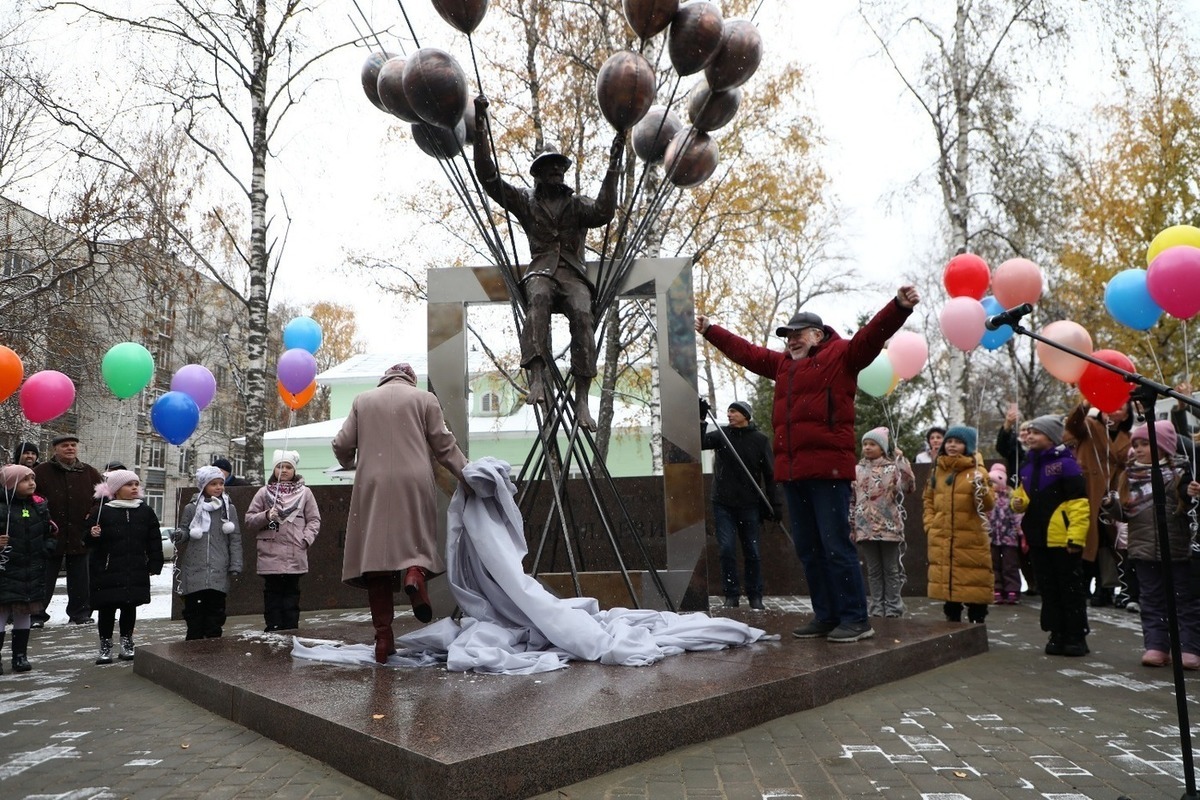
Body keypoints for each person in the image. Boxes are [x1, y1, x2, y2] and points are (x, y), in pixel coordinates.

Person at [695, 284, 920, 643]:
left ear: (818, 334)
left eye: (797, 334)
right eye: (786, 336)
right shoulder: (783, 366)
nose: (790, 341)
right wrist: (711, 331)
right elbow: (747, 353)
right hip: (793, 473)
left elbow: (871, 336)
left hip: (828, 472)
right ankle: (827, 615)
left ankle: (856, 619)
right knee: (808, 550)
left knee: (835, 547)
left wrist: (898, 307)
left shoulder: (843, 355)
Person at [473, 94, 626, 431]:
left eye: (560, 168)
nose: (557, 173)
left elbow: (603, 212)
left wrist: (614, 165)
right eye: (550, 168)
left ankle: (582, 399)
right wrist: (480, 129)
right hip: (541, 271)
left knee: (584, 315)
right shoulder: (525, 202)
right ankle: (538, 378)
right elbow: (489, 180)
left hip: (573, 276)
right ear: (538, 174)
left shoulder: (577, 205)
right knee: (537, 300)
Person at [332, 362, 469, 663]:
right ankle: (415, 575)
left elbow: (342, 444)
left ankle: (383, 638)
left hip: (373, 482)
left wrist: (349, 461)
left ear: (385, 378)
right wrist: (467, 474)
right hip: (413, 478)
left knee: (376, 561)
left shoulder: (363, 400)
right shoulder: (424, 399)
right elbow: (444, 445)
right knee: (415, 541)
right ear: (410, 379)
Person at [1107, 420, 1200, 668]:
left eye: (1145, 444)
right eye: (1136, 444)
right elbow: (1126, 513)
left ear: (1163, 447)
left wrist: (1192, 493)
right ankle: (1156, 646)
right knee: (1152, 601)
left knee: (1184, 601)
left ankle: (1189, 648)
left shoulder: (1180, 474)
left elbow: (1187, 508)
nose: (1137, 449)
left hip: (1177, 549)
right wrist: (1111, 505)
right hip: (1143, 550)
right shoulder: (1129, 476)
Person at [1011, 414, 1091, 657]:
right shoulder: (1028, 465)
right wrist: (1018, 502)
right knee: (1049, 589)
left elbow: (1079, 504)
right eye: (1029, 432)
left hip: (1062, 539)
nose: (1030, 436)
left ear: (1052, 436)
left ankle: (1076, 636)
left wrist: (1076, 537)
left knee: (1069, 589)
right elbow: (1023, 495)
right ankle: (1056, 632)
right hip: (1038, 538)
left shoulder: (1067, 464)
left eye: (1037, 432)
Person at [701, 399, 777, 610]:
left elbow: (770, 474)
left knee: (752, 550)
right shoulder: (721, 436)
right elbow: (699, 442)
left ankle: (755, 596)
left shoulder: (759, 440)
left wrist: (775, 504)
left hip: (749, 503)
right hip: (723, 502)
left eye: (734, 411)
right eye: (728, 412)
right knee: (726, 549)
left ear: (746, 415)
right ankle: (731, 595)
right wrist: (701, 418)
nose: (730, 415)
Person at [87, 470, 163, 664]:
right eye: (129, 485)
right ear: (115, 489)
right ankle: (105, 645)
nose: (134, 488)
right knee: (107, 608)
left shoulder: (144, 511)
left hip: (135, 567)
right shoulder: (103, 511)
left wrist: (155, 561)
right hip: (108, 569)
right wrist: (92, 534)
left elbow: (154, 539)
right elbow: (86, 539)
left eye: (136, 484)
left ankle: (127, 641)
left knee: (130, 606)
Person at [1064, 400, 1133, 608]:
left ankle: (1106, 587)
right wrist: (1085, 404)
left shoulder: (1129, 438)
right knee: (1086, 538)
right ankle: (1084, 582)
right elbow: (1072, 424)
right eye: (1109, 407)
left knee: (1109, 542)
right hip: (1089, 490)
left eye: (1120, 408)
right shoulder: (1090, 428)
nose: (1112, 411)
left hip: (1112, 493)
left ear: (1127, 415)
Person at [923, 426, 995, 624]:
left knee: (974, 580)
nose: (952, 445)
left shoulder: (978, 471)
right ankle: (952, 621)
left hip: (970, 537)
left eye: (958, 442)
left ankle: (977, 621)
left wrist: (981, 488)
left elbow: (988, 504)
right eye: (949, 441)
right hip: (942, 534)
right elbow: (928, 499)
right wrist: (930, 524)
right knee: (948, 581)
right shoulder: (937, 471)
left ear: (968, 445)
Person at [244, 450, 321, 632]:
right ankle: (273, 629)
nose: (284, 470)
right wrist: (266, 515)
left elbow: (314, 520)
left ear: (294, 470)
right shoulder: (264, 493)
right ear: (274, 470)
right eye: (280, 466)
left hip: (295, 553)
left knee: (291, 597)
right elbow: (249, 520)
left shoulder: (305, 493)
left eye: (288, 467)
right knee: (272, 596)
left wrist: (306, 539)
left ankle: (290, 629)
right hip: (270, 555)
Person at [32, 434, 103, 626]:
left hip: (80, 534)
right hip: (50, 534)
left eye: (73, 445)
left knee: (80, 580)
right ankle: (36, 616)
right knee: (44, 579)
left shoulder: (89, 472)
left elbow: (102, 498)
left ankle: (80, 614)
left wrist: (93, 514)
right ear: (55, 449)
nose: (70, 448)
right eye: (65, 445)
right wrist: (42, 514)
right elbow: (32, 497)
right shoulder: (41, 472)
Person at [851, 427, 915, 618]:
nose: (868, 448)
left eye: (872, 444)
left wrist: (902, 463)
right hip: (865, 527)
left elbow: (908, 486)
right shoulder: (857, 470)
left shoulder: (892, 468)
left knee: (891, 569)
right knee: (874, 570)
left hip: (889, 526)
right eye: (865, 444)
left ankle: (894, 607)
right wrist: (852, 523)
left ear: (882, 448)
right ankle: (877, 607)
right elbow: (851, 499)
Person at [173, 466, 242, 640]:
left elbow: (235, 538)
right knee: (194, 613)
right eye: (213, 484)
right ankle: (193, 646)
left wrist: (236, 564)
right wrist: (180, 535)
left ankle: (213, 649)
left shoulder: (228, 508)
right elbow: (185, 529)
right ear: (204, 486)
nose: (219, 487)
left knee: (215, 613)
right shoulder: (192, 508)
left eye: (221, 483)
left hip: (219, 567)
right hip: (195, 567)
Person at [0, 464, 54, 673]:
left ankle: (20, 656)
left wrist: (47, 548)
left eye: (32, 479)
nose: (32, 483)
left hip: (30, 569)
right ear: (10, 484)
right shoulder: (3, 507)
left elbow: (50, 531)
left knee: (24, 613)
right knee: (2, 612)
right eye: (25, 480)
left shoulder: (38, 506)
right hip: (5, 569)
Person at [987, 463, 1023, 605]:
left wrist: (1019, 530)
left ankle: (1012, 589)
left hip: (1009, 537)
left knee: (1010, 564)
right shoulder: (988, 497)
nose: (993, 486)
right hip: (991, 537)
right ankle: (997, 588)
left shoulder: (1011, 496)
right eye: (991, 483)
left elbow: (1017, 515)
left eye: (996, 482)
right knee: (993, 564)